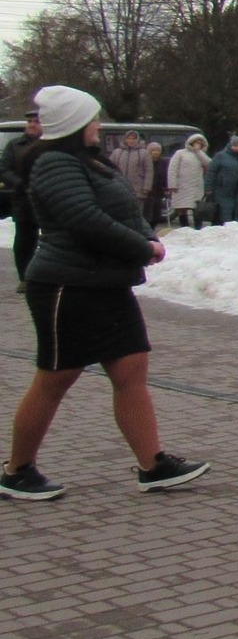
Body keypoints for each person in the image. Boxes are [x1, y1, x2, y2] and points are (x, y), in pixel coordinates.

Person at [1, 86, 208, 501]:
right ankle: (17, 471)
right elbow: (84, 220)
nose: (99, 125)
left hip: (105, 283)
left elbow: (124, 210)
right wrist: (140, 248)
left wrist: (147, 235)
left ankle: (153, 465)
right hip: (67, 285)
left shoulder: (90, 162)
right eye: (93, 118)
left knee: (131, 368)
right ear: (75, 124)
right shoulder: (53, 163)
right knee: (55, 377)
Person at [3, 111, 43, 286]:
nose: (32, 124)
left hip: (48, 198)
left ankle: (49, 277)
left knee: (54, 239)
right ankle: (25, 278)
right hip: (23, 199)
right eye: (29, 121)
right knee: (24, 240)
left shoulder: (50, 145)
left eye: (36, 121)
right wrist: (19, 184)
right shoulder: (15, 145)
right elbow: (4, 168)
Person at [165, 133, 208, 229]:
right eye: (196, 142)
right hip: (182, 186)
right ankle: (184, 228)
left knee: (198, 208)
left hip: (197, 186)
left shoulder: (202, 154)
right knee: (182, 208)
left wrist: (199, 152)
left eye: (200, 142)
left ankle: (197, 229)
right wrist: (172, 184)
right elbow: (172, 169)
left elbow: (209, 163)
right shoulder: (180, 153)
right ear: (191, 142)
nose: (198, 144)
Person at [210, 135, 238, 228]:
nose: (237, 148)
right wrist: (209, 188)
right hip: (223, 191)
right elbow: (212, 172)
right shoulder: (220, 156)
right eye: (235, 145)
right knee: (224, 216)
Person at [109, 129, 153, 203]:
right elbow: (110, 168)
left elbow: (149, 171)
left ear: (137, 139)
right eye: (129, 138)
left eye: (133, 138)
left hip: (138, 190)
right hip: (119, 189)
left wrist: (147, 187)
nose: (131, 140)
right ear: (125, 139)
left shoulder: (144, 153)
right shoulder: (117, 152)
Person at [143, 141, 168, 226]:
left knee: (157, 215)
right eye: (153, 150)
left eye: (158, 150)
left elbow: (165, 175)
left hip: (159, 192)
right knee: (147, 214)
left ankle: (153, 228)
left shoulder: (163, 162)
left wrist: (167, 187)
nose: (156, 152)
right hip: (148, 192)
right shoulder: (145, 162)